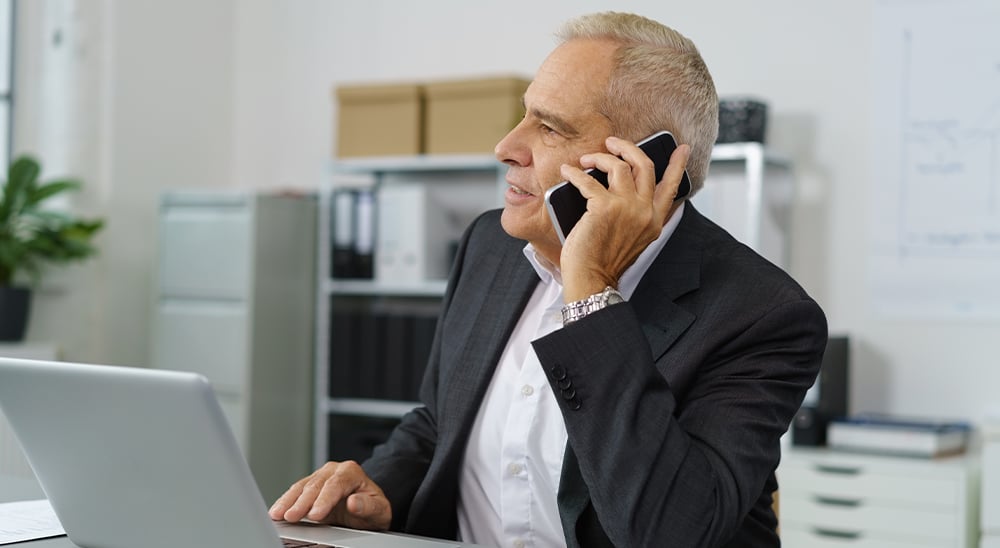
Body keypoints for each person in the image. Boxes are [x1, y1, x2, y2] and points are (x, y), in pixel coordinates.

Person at [270, 11, 827, 548]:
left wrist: (591, 292)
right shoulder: (491, 244)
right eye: (524, 115)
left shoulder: (764, 316)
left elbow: (666, 528)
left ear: (641, 167)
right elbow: (440, 419)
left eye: (550, 127)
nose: (506, 147)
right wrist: (382, 492)